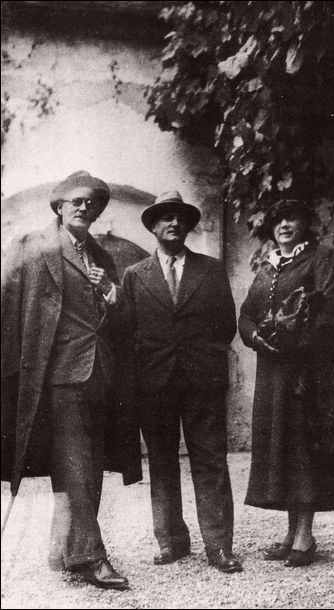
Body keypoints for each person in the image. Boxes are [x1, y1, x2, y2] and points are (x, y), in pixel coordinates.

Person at [1, 171, 142, 590]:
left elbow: (119, 324)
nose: (85, 208)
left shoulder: (102, 257)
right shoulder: (31, 248)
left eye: (92, 204)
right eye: (76, 201)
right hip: (56, 375)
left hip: (100, 373)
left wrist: (113, 296)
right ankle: (93, 557)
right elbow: (7, 311)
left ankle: (64, 550)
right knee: (78, 463)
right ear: (59, 206)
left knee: (87, 465)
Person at [121, 190, 242, 574]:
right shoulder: (135, 275)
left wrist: (202, 360)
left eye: (180, 218)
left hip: (201, 382)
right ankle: (171, 540)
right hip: (154, 384)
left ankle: (219, 546)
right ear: (153, 226)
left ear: (188, 226)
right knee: (162, 462)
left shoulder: (211, 269)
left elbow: (226, 324)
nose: (173, 223)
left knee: (210, 462)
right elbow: (128, 329)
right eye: (164, 217)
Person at [238, 199, 334, 568]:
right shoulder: (267, 266)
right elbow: (247, 313)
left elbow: (332, 312)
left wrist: (297, 343)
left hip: (305, 370)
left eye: (293, 218)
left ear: (304, 225)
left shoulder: (319, 261)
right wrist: (256, 338)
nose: (285, 224)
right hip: (272, 372)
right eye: (278, 219)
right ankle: (290, 532)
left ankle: (305, 534)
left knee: (301, 448)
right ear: (271, 228)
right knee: (281, 447)